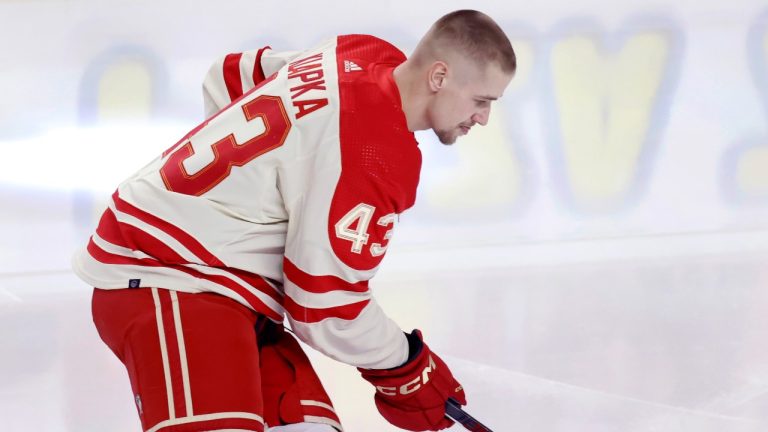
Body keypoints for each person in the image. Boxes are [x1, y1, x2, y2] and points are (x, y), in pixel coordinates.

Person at [74, 9, 516, 432]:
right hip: (164, 274)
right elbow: (324, 307)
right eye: (480, 100)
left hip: (232, 288)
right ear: (439, 77)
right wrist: (407, 365)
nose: (483, 117)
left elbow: (230, 73)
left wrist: (240, 198)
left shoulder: (360, 52)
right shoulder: (375, 156)